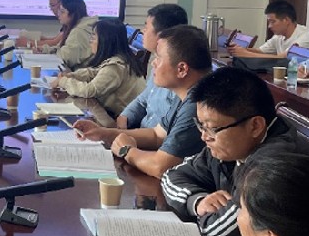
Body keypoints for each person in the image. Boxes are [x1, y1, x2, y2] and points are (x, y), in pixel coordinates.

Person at [161, 67, 309, 236]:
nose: (204, 136)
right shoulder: (230, 145)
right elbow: (171, 176)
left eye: (212, 128)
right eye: (201, 125)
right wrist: (197, 201)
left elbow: (217, 235)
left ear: (255, 126)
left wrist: (201, 216)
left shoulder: (274, 167)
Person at [74, 25, 211, 178]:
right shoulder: (186, 93)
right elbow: (157, 135)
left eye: (159, 58)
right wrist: (102, 133)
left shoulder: (197, 104)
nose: (153, 63)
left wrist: (127, 151)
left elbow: (161, 167)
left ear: (182, 69)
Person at [50, 18, 146, 117]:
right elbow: (95, 73)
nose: (90, 41)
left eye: (93, 37)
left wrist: (64, 82)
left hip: (123, 121)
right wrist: (72, 76)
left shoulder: (115, 67)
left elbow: (89, 91)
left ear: (105, 41)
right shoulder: (120, 58)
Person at [117, 3, 188, 130]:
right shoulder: (158, 62)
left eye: (146, 27)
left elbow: (161, 135)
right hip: (138, 132)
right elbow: (143, 99)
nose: (142, 31)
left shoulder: (177, 74)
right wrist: (125, 117)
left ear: (162, 35)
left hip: (150, 139)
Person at [227, 0, 309, 58]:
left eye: (273, 22)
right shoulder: (279, 36)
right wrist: (239, 50)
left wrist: (246, 54)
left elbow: (283, 57)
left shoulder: (306, 36)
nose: (269, 26)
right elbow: (261, 51)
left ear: (286, 20)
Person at [53, 0, 98, 70]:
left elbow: (68, 58)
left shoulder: (78, 31)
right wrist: (47, 50)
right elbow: (63, 48)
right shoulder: (84, 26)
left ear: (73, 14)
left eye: (62, 12)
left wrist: (57, 52)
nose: (58, 14)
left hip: (81, 72)